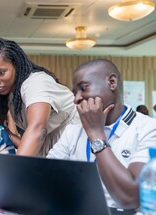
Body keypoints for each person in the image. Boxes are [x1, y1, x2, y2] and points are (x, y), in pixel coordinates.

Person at [47, 59, 156, 210]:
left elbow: (130, 199)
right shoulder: (73, 131)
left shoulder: (149, 128)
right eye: (74, 92)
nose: (76, 98)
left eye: (83, 88)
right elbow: (45, 178)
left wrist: (96, 134)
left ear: (112, 82)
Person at [0, 37, 80, 157]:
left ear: (16, 64)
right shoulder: (11, 94)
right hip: (54, 150)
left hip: (77, 145)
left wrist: (16, 171)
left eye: (1, 72)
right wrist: (5, 133)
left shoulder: (35, 83)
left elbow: (38, 130)